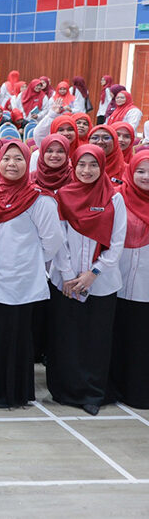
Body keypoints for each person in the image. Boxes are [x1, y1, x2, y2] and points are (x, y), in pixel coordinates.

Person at [0, 140, 74, 409]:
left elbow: (53, 240)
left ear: (28, 162)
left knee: (16, 335)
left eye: (18, 159)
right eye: (7, 158)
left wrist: (30, 260)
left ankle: (13, 393)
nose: (12, 164)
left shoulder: (40, 198)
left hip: (22, 279)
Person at [47, 145, 126, 416]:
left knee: (95, 340)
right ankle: (65, 389)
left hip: (101, 283)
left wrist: (94, 273)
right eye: (82, 164)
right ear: (73, 166)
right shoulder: (62, 196)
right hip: (65, 281)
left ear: (102, 167)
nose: (87, 170)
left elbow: (117, 243)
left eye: (93, 165)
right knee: (66, 337)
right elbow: (58, 239)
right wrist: (68, 274)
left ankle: (93, 393)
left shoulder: (115, 199)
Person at [112, 150, 149, 408]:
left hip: (146, 287)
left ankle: (139, 392)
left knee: (142, 341)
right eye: (141, 170)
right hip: (119, 282)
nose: (146, 176)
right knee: (118, 338)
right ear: (130, 171)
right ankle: (115, 388)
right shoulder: (118, 198)